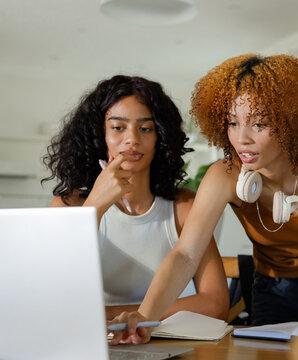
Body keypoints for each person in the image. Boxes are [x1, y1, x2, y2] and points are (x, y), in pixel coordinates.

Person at [108, 54, 298, 344]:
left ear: (293, 123)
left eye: (259, 124)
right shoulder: (224, 175)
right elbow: (186, 254)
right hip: (273, 290)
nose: (241, 139)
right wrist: (145, 316)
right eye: (233, 122)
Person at [42, 75, 229, 322]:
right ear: (99, 137)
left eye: (145, 128)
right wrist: (95, 207)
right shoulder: (68, 207)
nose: (132, 139)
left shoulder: (185, 207)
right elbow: (54, 298)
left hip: (171, 343)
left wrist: (130, 316)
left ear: (160, 138)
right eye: (118, 128)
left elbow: (215, 304)